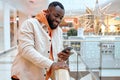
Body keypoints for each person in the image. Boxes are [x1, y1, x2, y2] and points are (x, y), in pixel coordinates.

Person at [11, 1, 71, 80]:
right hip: (24, 76)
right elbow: (26, 50)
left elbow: (54, 55)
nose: (58, 20)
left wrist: (61, 57)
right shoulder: (30, 24)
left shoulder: (58, 31)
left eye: (61, 18)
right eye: (56, 16)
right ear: (47, 12)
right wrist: (52, 64)